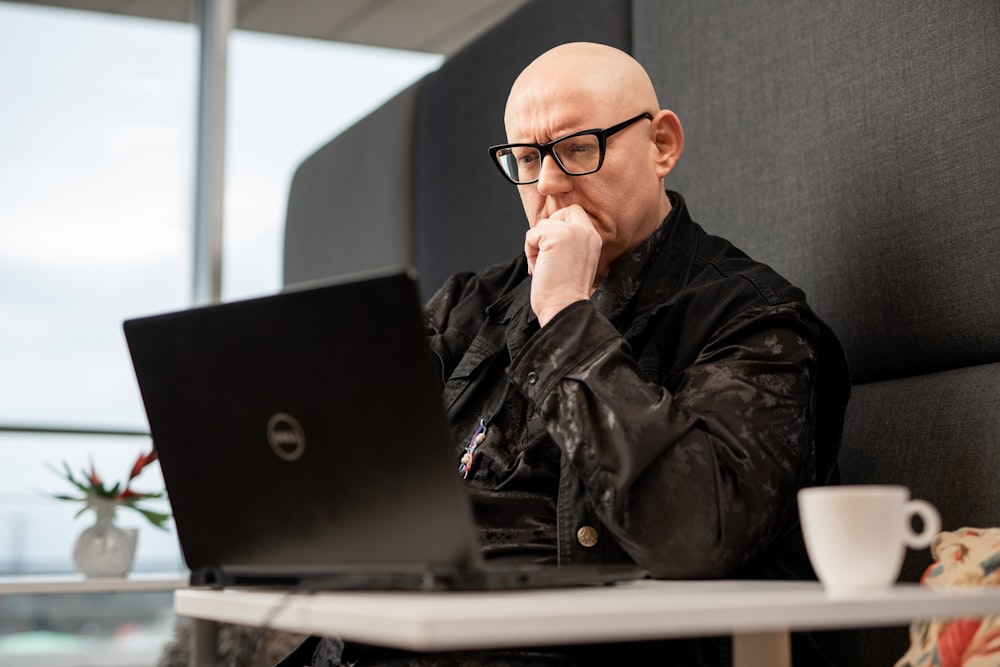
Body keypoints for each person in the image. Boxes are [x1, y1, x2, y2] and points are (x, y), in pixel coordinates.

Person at [279, 41, 850, 667]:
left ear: (661, 145)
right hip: (390, 639)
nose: (548, 184)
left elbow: (694, 534)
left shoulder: (755, 318)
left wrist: (566, 317)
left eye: (579, 148)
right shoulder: (470, 305)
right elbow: (343, 472)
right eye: (526, 159)